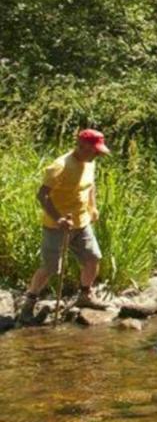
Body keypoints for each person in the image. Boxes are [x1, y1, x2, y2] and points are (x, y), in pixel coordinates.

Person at [18, 129, 111, 323]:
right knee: (51, 267)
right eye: (95, 150)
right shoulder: (60, 166)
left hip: (82, 222)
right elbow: (41, 195)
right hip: (56, 226)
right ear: (82, 145)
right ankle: (29, 302)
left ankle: (85, 296)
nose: (97, 154)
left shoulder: (90, 163)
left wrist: (93, 208)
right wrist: (59, 219)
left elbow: (90, 186)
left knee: (93, 258)